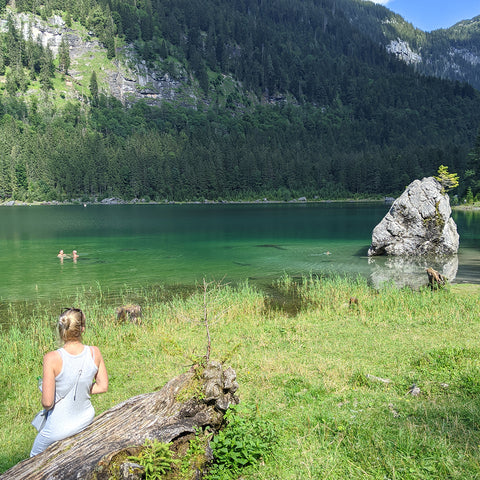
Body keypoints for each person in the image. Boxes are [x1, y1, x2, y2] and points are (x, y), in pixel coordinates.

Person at [30, 308, 108, 456]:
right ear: (82, 329)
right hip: (85, 418)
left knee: (31, 460)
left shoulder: (51, 358)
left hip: (57, 429)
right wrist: (82, 388)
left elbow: (47, 403)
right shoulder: (94, 352)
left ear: (61, 329)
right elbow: (103, 386)